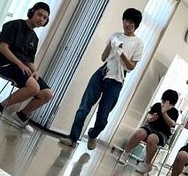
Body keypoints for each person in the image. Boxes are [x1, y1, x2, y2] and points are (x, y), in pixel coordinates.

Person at [59, 9, 144, 149]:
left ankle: (93, 134)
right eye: (126, 20)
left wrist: (121, 52)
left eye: (131, 22)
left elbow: (131, 67)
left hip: (117, 81)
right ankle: (72, 138)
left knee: (103, 118)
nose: (128, 24)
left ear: (136, 25)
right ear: (123, 20)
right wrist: (110, 46)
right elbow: (103, 58)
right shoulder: (115, 36)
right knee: (84, 107)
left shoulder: (138, 43)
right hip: (102, 73)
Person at [0, 2, 53, 130]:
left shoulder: (34, 38)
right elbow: (3, 48)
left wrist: (34, 71)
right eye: (39, 14)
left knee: (47, 94)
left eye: (45, 18)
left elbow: (29, 61)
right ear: (32, 12)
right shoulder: (14, 25)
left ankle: (21, 115)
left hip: (21, 68)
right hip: (5, 64)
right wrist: (19, 64)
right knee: (34, 88)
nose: (41, 19)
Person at [117, 89, 179, 174]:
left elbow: (172, 124)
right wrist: (151, 118)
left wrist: (164, 113)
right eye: (163, 101)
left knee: (152, 139)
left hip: (162, 133)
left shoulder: (174, 112)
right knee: (139, 133)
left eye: (167, 102)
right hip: (150, 127)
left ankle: (146, 164)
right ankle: (125, 154)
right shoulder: (157, 105)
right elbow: (149, 116)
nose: (164, 103)